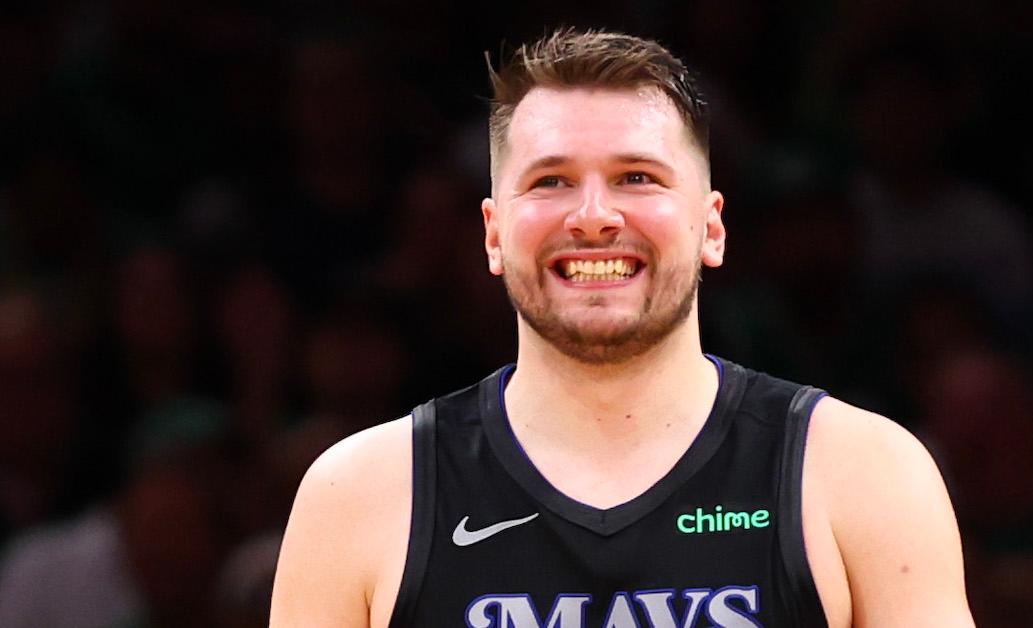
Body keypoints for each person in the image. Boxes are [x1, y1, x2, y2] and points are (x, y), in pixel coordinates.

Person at [270, 28, 975, 627]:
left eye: (637, 176)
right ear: (492, 234)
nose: (594, 215)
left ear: (711, 225)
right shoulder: (359, 496)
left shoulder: (862, 473)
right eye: (551, 181)